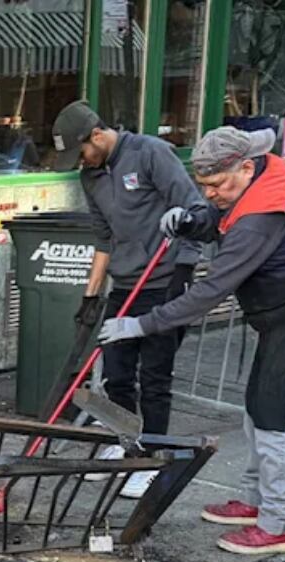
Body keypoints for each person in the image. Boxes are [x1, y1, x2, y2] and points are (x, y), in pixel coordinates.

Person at [98, 126, 285, 555]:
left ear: (246, 167)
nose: (211, 193)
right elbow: (220, 217)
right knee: (261, 414)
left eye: (217, 184)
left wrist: (142, 324)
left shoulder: (262, 216)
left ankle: (281, 524)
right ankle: (258, 503)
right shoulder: (256, 180)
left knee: (284, 428)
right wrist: (194, 221)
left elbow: (209, 291)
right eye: (203, 186)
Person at [50, 100, 204, 499]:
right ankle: (125, 439)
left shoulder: (150, 153)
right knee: (117, 372)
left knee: (154, 376)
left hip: (164, 281)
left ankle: (152, 457)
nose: (79, 161)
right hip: (125, 284)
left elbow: (192, 208)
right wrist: (90, 294)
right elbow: (103, 238)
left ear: (97, 135)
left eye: (80, 151)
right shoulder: (91, 177)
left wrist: (183, 271)